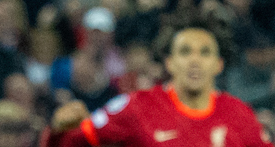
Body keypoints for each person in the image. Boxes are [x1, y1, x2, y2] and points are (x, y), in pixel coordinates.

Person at [45, 15, 272, 147]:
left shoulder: (239, 114)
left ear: (218, 64)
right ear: (170, 62)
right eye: (185, 52)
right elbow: (72, 141)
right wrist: (58, 130)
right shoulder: (137, 107)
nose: (195, 61)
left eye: (204, 53)